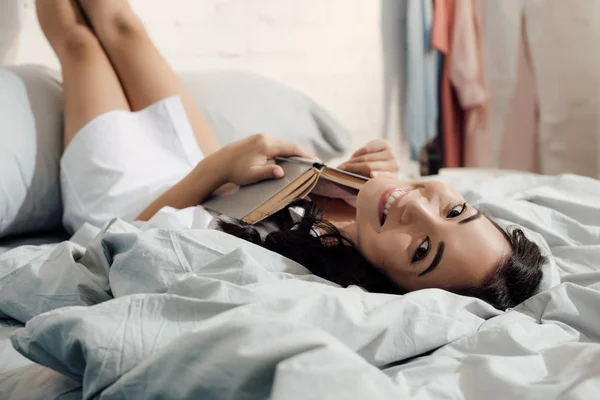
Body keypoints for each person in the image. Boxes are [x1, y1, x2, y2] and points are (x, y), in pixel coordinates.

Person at [37, 0, 545, 310]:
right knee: (126, 28)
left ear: (389, 285)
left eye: (420, 250)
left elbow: (126, 240)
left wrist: (216, 167)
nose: (417, 209)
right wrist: (337, 176)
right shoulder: (362, 215)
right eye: (454, 209)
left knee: (81, 43)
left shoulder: (280, 274)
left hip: (129, 197)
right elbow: (266, 199)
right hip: (204, 171)